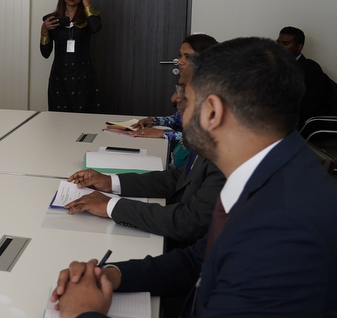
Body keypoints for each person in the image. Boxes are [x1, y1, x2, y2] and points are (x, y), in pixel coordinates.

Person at [51, 37, 337, 318]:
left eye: (189, 97)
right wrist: (110, 275)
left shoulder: (284, 228)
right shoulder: (272, 172)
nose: (178, 104)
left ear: (212, 111)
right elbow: (199, 259)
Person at [65, 71, 224, 246]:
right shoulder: (208, 140)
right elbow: (179, 179)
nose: (174, 98)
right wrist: (111, 182)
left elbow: (189, 222)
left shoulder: (224, 157)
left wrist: (111, 206)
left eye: (183, 91)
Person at [39, 0, 102, 112]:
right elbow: (45, 54)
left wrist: (87, 4)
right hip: (59, 78)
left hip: (83, 76)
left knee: (84, 119)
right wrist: (44, 31)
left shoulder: (90, 18)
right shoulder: (51, 19)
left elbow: (96, 28)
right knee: (59, 121)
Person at [277, 25, 337, 127]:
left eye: (285, 43)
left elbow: (307, 108)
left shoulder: (311, 70)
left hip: (307, 125)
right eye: (278, 43)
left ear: (299, 47)